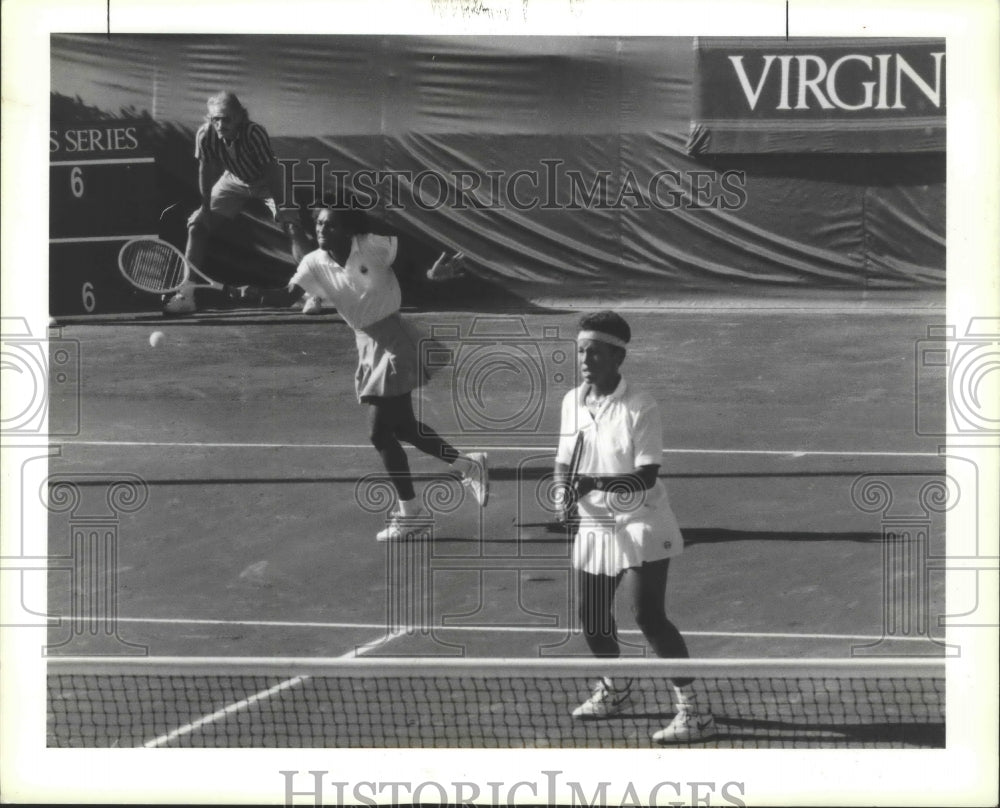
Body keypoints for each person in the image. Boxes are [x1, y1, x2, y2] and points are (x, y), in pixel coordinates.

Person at [234, 204, 487, 541]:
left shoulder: (371, 245)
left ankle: (412, 512)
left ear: (350, 230)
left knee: (380, 431)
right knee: (404, 428)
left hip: (395, 339)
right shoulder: (313, 262)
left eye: (331, 225)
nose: (322, 229)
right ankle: (468, 466)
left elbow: (412, 266)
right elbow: (286, 296)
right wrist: (258, 295)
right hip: (367, 342)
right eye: (319, 224)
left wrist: (431, 275)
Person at [554, 310, 715, 744]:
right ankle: (616, 687)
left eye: (595, 352)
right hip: (595, 523)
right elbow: (565, 459)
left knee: (648, 616)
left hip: (642, 520)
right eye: (582, 351)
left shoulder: (640, 405)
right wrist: (560, 490)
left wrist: (592, 483)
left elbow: (645, 477)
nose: (586, 359)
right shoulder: (573, 400)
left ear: (617, 356)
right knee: (592, 619)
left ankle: (694, 712)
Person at [165, 91, 314, 314]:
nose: (221, 124)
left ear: (240, 117)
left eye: (227, 118)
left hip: (267, 180)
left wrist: (282, 205)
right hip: (233, 180)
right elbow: (205, 170)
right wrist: (205, 209)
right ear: (210, 118)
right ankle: (186, 294)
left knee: (292, 226)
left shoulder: (254, 133)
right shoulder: (206, 135)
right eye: (216, 119)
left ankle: (313, 292)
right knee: (197, 225)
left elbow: (271, 170)